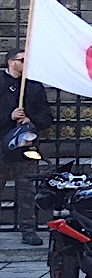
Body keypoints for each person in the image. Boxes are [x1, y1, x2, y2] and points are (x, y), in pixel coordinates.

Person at [2, 47, 52, 245]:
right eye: (22, 60)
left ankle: (28, 230)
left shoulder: (33, 86)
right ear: (11, 62)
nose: (25, 63)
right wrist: (9, 116)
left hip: (25, 146)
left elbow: (47, 117)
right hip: (1, 145)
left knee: (27, 190)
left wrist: (31, 119)